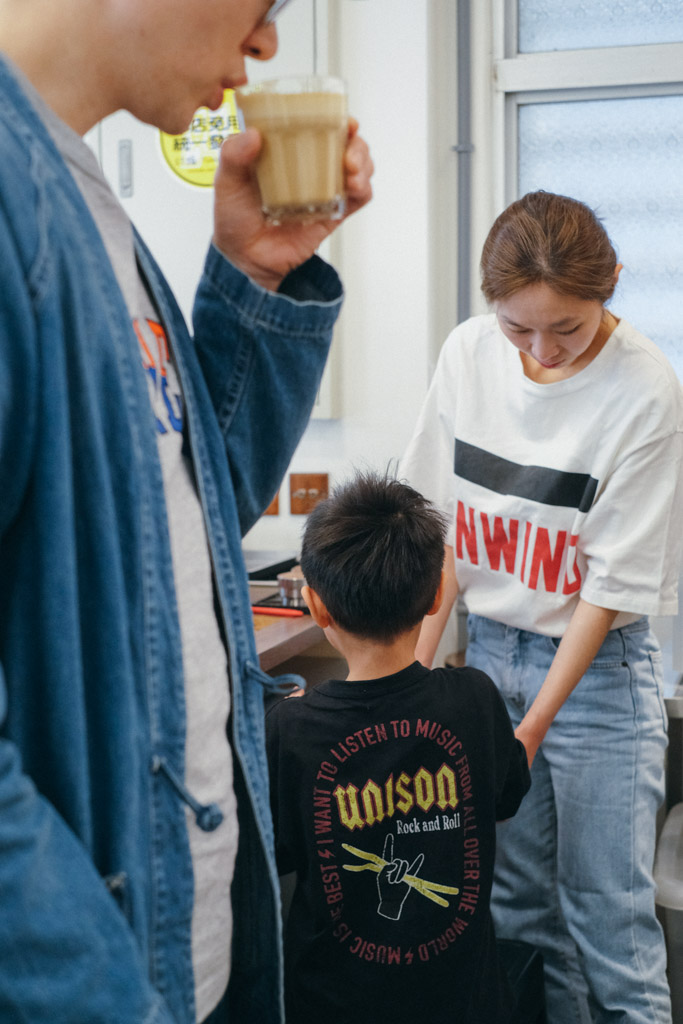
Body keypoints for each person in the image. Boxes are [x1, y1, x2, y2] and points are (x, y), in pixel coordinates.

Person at [0, 1, 373, 1022]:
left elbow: (184, 521)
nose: (266, 42)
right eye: (265, 4)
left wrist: (257, 273)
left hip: (184, 947)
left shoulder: (83, 198)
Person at [400, 190, 683, 1024]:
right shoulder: (467, 354)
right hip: (489, 655)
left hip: (598, 674)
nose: (542, 350)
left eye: (566, 327)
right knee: (516, 913)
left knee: (608, 923)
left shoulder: (646, 391)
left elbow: (606, 590)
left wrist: (530, 729)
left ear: (610, 285)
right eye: (517, 328)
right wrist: (412, 677)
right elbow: (442, 533)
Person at [265, 472, 530, 1024]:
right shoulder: (475, 699)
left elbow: (278, 855)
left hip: (332, 1007)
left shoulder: (291, 729)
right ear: (435, 596)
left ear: (316, 606)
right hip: (467, 1006)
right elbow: (505, 798)